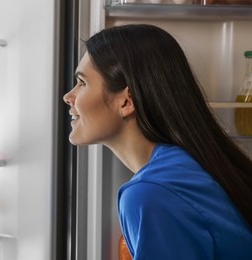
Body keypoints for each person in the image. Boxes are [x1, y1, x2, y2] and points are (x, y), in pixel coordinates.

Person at [63, 24, 252, 259]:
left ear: (126, 101)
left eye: (82, 83)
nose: (68, 97)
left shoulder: (151, 193)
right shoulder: (185, 163)